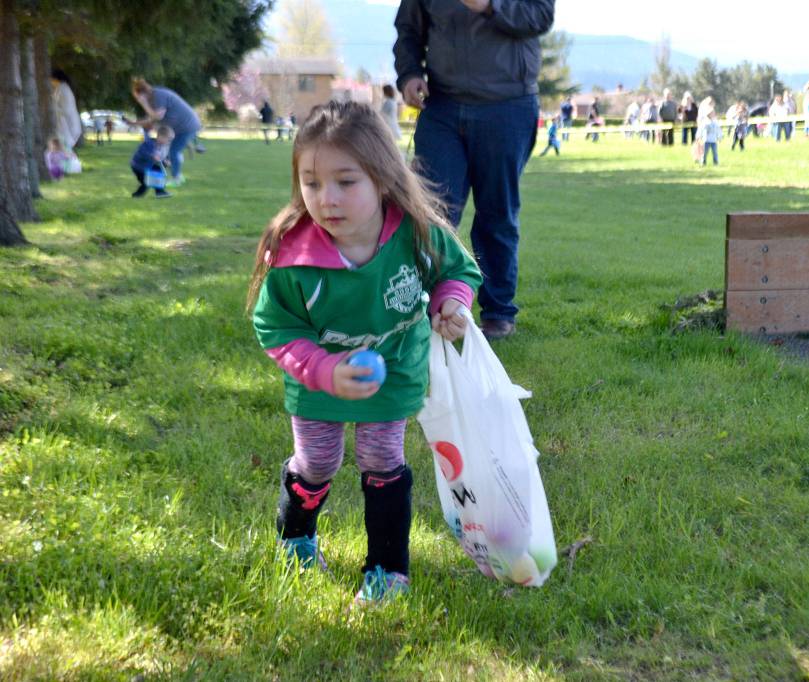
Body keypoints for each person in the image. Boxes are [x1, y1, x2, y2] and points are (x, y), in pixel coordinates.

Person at [248, 101, 482, 604]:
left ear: (381, 178)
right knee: (318, 462)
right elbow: (275, 327)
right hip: (318, 380)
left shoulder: (416, 233)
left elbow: (457, 272)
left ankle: (387, 569)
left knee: (382, 457)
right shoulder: (294, 258)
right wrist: (325, 370)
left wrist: (450, 303)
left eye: (346, 181)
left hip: (395, 365)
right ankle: (296, 541)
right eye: (311, 182)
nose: (326, 198)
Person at [394, 0, 554, 341]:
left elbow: (540, 15)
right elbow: (408, 29)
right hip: (442, 106)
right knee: (429, 212)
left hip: (507, 104)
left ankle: (497, 313)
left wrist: (490, 5)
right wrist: (408, 74)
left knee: (497, 213)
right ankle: (419, 309)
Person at [130, 78, 202, 187]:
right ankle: (177, 175)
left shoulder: (159, 96)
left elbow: (158, 116)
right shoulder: (153, 100)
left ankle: (176, 178)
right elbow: (151, 120)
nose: (138, 100)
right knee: (171, 152)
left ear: (142, 94)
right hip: (181, 128)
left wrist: (144, 104)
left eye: (138, 98)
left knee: (173, 151)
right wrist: (133, 123)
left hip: (188, 126)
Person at [130, 124, 174, 198]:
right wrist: (151, 155)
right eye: (168, 139)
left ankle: (160, 192)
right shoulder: (149, 143)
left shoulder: (163, 146)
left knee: (157, 177)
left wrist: (166, 161)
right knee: (146, 182)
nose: (169, 142)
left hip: (151, 166)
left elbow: (163, 156)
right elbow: (142, 153)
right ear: (160, 136)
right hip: (139, 166)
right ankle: (137, 195)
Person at [51, 69, 82, 152]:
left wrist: (54, 109)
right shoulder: (59, 89)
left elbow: (67, 109)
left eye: (52, 79)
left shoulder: (64, 90)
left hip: (67, 125)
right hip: (63, 125)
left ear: (56, 79)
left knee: (65, 150)